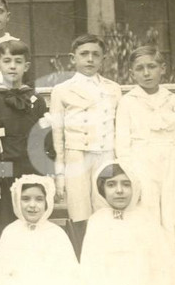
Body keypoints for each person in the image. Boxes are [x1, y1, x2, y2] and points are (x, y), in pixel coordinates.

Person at [115, 46, 175, 254]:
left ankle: (172, 273)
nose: (146, 73)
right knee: (146, 215)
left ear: (162, 68)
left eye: (151, 67)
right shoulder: (127, 102)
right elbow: (122, 144)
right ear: (131, 73)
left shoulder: (174, 101)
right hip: (141, 163)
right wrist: (129, 177)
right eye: (140, 68)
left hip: (171, 164)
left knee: (173, 217)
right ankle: (149, 275)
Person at [0, 39, 53, 254]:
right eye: (7, 61)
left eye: (18, 61)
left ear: (26, 66)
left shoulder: (36, 100)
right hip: (4, 172)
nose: (12, 66)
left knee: (33, 220)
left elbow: (43, 141)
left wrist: (47, 175)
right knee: (5, 223)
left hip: (32, 170)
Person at [50, 34, 122, 247]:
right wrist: (60, 173)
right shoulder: (61, 90)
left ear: (103, 59)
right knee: (79, 210)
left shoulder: (113, 89)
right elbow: (58, 134)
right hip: (76, 156)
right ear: (73, 58)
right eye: (84, 54)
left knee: (106, 208)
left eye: (95, 55)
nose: (90, 59)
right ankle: (82, 259)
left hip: (106, 155)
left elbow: (119, 127)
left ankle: (106, 258)